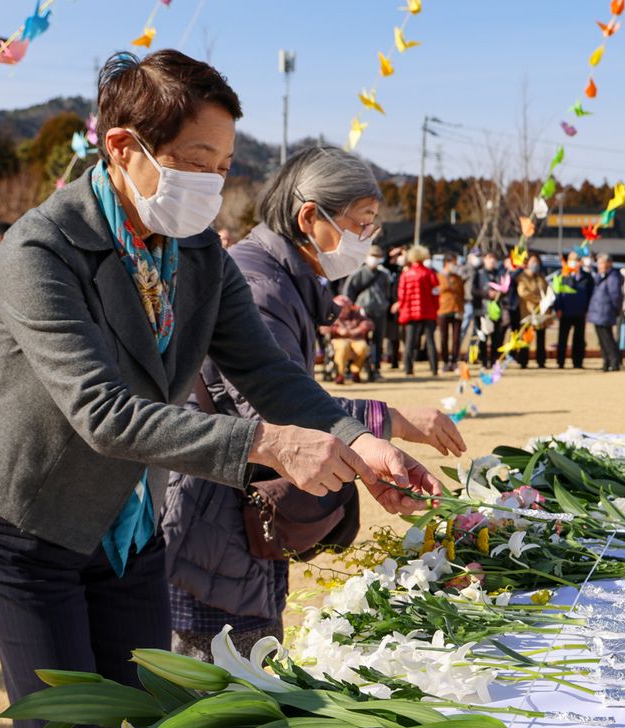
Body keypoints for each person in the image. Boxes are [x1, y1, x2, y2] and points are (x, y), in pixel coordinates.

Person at [0, 51, 442, 728]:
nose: (211, 184)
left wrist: (361, 442)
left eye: (223, 166)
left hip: (131, 517)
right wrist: (269, 445)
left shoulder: (197, 252)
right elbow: (104, 414)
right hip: (29, 517)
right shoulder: (41, 250)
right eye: (195, 162)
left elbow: (266, 374)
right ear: (124, 146)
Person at [168, 146, 464, 659]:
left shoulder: (284, 281)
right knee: (226, 697)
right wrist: (385, 423)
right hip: (213, 531)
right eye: (362, 223)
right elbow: (274, 413)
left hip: (236, 525)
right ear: (310, 216)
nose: (368, 239)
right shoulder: (259, 285)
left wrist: (371, 455)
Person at [343, 245, 391, 381]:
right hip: (361, 313)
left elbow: (388, 293)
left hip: (380, 312)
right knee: (358, 340)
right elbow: (348, 294)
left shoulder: (384, 275)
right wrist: (352, 311)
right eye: (372, 256)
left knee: (378, 341)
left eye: (377, 257)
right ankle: (352, 369)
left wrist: (385, 304)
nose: (374, 259)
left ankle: (375, 369)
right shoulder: (358, 274)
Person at [398, 243, 440, 376]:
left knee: (409, 341)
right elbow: (436, 293)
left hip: (410, 312)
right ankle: (434, 368)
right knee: (430, 340)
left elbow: (402, 295)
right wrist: (435, 307)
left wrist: (403, 308)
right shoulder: (430, 273)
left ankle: (408, 369)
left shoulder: (406, 275)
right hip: (428, 311)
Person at [554, 252, 592, 368]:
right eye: (572, 259)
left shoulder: (587, 277)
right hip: (565, 311)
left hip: (580, 312)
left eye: (576, 259)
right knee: (562, 338)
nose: (574, 262)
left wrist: (587, 309)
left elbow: (590, 294)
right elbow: (557, 293)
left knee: (579, 339)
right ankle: (560, 362)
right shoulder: (562, 275)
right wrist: (558, 308)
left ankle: (578, 362)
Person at [589, 254, 623, 371]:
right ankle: (606, 361)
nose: (599, 265)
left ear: (609, 263)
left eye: (602, 263)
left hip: (606, 311)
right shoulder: (600, 276)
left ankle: (614, 362)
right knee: (602, 339)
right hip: (598, 311)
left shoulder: (613, 276)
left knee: (608, 338)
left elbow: (615, 295)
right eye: (598, 263)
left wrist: (616, 309)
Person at [472, 251, 506, 368]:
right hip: (482, 309)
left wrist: (499, 294)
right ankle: (484, 360)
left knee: (496, 336)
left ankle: (494, 360)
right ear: (484, 259)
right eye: (489, 258)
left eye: (494, 258)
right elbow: (473, 290)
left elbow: (505, 290)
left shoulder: (499, 274)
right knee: (483, 336)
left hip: (496, 309)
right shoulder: (478, 274)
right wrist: (486, 293)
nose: (492, 261)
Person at [328, 295, 372, 384]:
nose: (341, 309)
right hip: (339, 339)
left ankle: (355, 370)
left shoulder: (356, 314)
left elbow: (369, 323)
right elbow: (323, 328)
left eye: (343, 307)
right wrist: (337, 330)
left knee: (363, 347)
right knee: (343, 347)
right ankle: (340, 374)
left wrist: (358, 329)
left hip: (356, 338)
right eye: (339, 307)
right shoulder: (332, 316)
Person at [517, 253, 550, 368]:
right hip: (528, 311)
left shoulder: (540, 277)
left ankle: (541, 360)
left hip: (541, 312)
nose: (534, 264)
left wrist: (545, 300)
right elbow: (523, 292)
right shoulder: (523, 277)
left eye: (536, 261)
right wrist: (538, 299)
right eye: (532, 261)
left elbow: (547, 290)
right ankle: (523, 360)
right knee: (526, 337)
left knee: (541, 337)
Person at [436, 253, 464, 371]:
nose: (455, 265)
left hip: (457, 309)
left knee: (456, 337)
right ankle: (446, 361)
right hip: (442, 309)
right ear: (446, 263)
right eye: (453, 262)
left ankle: (454, 361)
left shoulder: (457, 278)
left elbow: (462, 293)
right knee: (443, 336)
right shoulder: (438, 277)